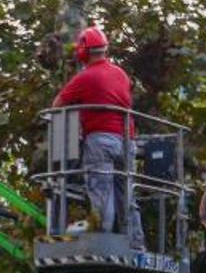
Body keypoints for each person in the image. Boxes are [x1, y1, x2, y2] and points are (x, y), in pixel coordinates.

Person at [52, 26, 143, 248]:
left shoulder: (85, 77)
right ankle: (136, 242)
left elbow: (56, 106)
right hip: (128, 142)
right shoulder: (120, 74)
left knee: (101, 192)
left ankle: (103, 240)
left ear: (83, 51)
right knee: (126, 194)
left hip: (101, 141)